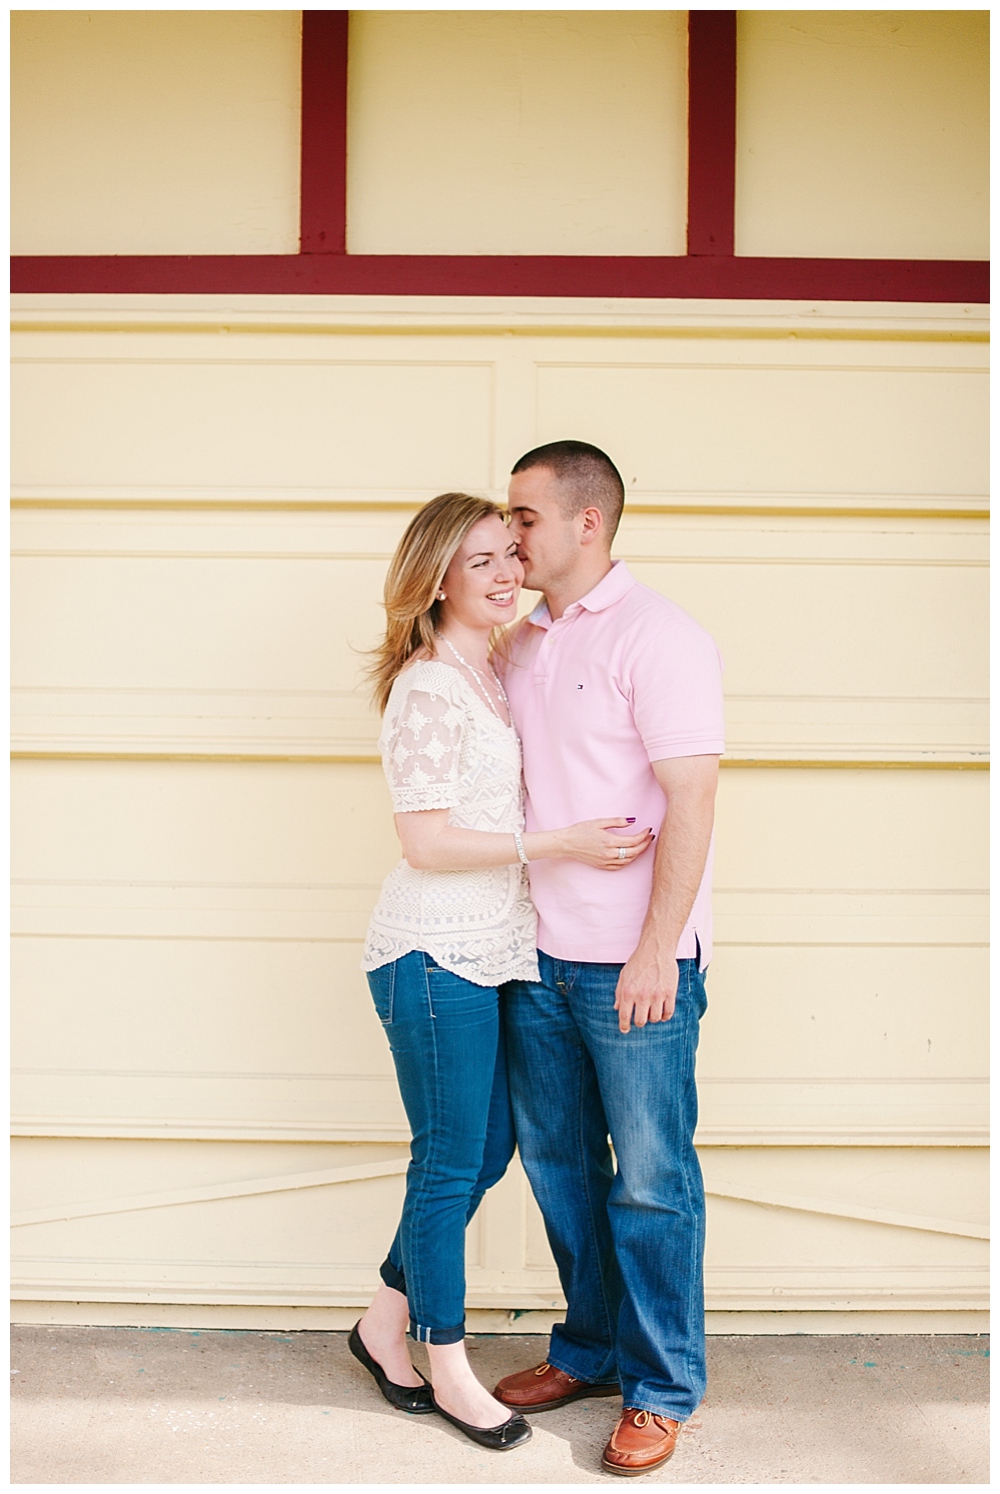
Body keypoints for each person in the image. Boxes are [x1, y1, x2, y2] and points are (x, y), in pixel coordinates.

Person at [351, 491, 655, 1453]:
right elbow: (427, 842)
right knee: (449, 1164)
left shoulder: (491, 669)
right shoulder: (430, 688)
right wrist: (560, 842)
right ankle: (446, 1363)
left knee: (482, 1155)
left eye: (508, 555)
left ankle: (380, 1320)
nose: (506, 573)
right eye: (479, 561)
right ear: (435, 578)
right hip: (432, 953)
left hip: (492, 952)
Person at [492, 441, 725, 1477]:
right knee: (561, 1172)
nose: (511, 535)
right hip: (534, 958)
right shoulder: (519, 641)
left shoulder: (659, 635)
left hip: (633, 968)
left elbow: (694, 797)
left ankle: (662, 1390)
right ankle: (587, 1349)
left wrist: (656, 951)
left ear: (588, 522)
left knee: (652, 1184)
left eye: (525, 516)